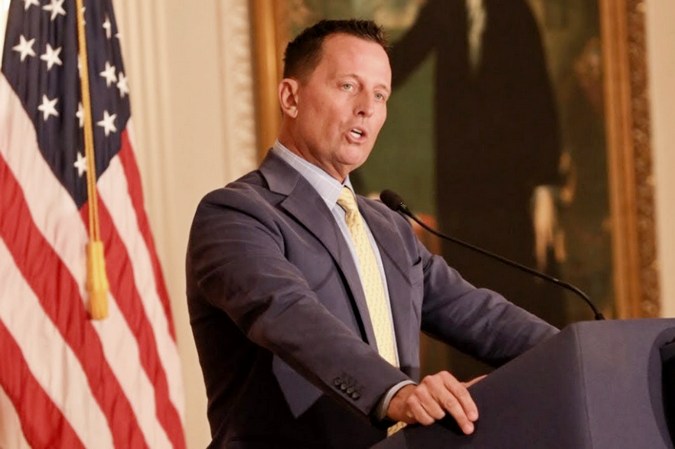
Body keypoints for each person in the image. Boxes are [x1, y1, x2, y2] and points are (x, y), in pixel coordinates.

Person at [186, 19, 558, 449]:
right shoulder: (235, 215)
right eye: (348, 86)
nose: (367, 107)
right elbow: (290, 314)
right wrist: (396, 392)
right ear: (291, 97)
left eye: (380, 95)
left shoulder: (388, 227)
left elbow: (481, 316)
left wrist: (583, 351)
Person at [388, 0, 565, 336]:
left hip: (512, 190)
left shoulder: (514, 13)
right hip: (459, 192)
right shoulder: (443, 10)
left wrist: (544, 186)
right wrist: (352, 74)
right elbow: (399, 62)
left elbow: (539, 99)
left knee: (517, 297)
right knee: (465, 301)